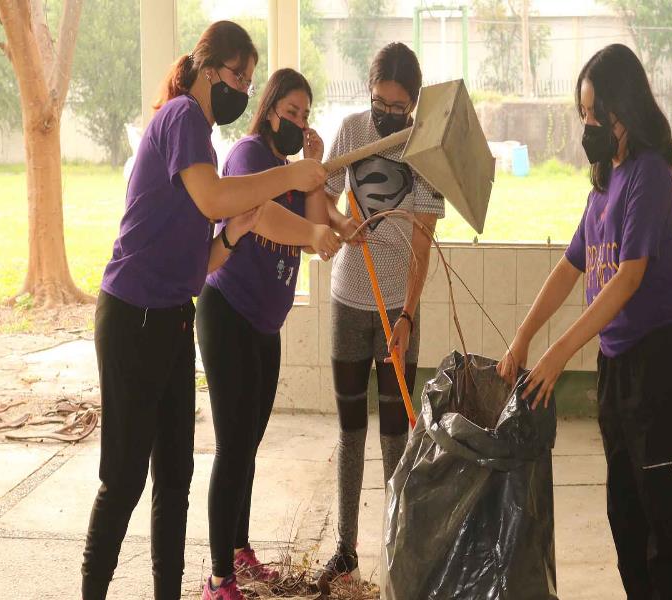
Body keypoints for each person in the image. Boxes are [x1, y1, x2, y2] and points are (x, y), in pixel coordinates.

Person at [80, 21, 330, 600]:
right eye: (238, 76)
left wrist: (238, 232)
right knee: (123, 479)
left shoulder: (202, 142)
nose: (242, 89)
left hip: (172, 318)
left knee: (175, 477)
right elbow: (215, 198)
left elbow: (205, 261)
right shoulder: (182, 118)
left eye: (248, 79)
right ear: (207, 67)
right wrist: (289, 176)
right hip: (130, 317)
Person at [498, 44, 672, 599]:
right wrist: (525, 333)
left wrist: (558, 354)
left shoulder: (649, 175)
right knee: (625, 515)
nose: (585, 125)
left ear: (622, 111)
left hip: (656, 361)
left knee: (665, 518)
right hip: (615, 366)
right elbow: (571, 266)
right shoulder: (605, 183)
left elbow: (628, 277)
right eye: (581, 113)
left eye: (592, 114)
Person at [196, 68, 340, 600]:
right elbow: (260, 218)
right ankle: (218, 579)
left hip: (264, 325)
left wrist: (317, 173)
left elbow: (321, 218)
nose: (298, 123)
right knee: (233, 446)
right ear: (271, 109)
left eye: (306, 116)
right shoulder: (250, 158)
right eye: (292, 112)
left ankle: (238, 551)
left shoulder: (289, 168)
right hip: (227, 313)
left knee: (248, 445)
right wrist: (316, 232)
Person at [316, 42, 445, 586]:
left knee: (396, 432)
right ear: (369, 91)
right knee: (350, 430)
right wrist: (340, 224)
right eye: (380, 101)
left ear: (413, 104)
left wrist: (408, 316)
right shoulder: (350, 130)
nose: (388, 112)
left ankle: (396, 548)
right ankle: (345, 549)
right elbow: (319, 196)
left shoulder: (426, 147)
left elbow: (423, 239)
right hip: (349, 296)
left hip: (396, 306)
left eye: (399, 106)